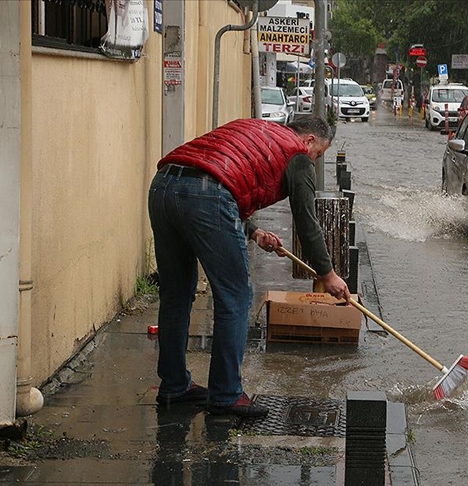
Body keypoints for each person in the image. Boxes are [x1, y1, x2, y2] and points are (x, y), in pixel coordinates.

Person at [148, 115, 351, 418]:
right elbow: (307, 222)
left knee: (176, 294)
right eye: (319, 154)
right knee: (236, 296)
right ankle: (226, 394)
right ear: (309, 140)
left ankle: (174, 386)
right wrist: (328, 274)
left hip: (163, 186)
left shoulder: (258, 130)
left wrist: (254, 231)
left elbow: (222, 175)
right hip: (205, 195)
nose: (315, 161)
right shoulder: (298, 155)